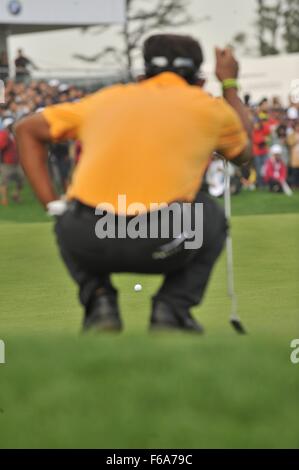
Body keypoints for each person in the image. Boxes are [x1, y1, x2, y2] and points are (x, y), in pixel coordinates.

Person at [15, 34, 252, 334]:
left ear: (142, 75)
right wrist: (229, 83)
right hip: (165, 240)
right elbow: (244, 153)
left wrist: (52, 204)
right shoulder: (207, 106)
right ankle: (172, 308)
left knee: (65, 215)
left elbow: (26, 129)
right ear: (200, 80)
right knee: (211, 215)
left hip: (90, 238)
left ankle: (100, 302)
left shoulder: (107, 98)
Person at [0, 117, 24, 205]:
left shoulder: (16, 134)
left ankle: (16, 194)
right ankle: (4, 199)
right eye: (10, 125)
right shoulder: (3, 135)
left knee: (21, 179)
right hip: (6, 162)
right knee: (4, 182)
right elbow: (1, 146)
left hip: (17, 161)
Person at [287, 121, 299, 188]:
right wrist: (296, 141)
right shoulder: (292, 135)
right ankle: (294, 184)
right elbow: (289, 143)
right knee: (295, 171)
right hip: (294, 155)